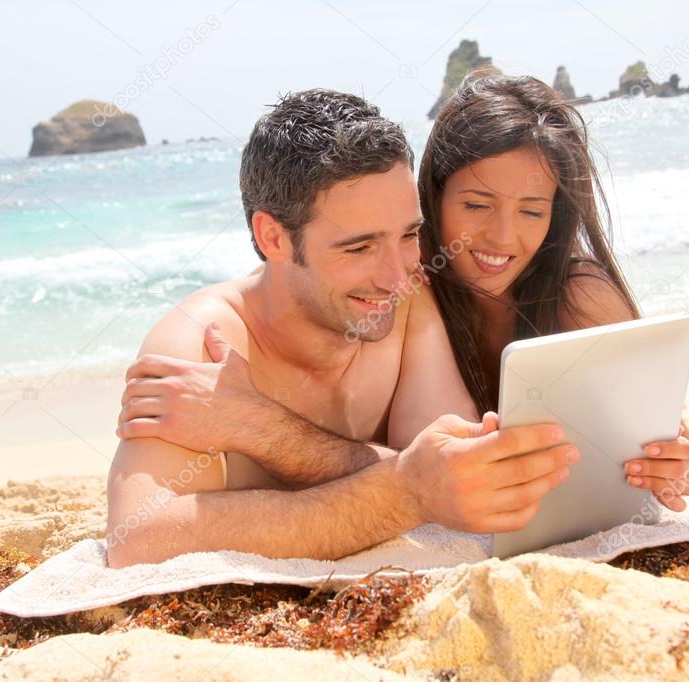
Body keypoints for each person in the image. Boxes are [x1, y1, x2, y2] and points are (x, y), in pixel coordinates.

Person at [105, 89, 579, 568]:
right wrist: (406, 493)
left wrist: (260, 428)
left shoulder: (412, 296)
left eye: (409, 236)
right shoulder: (202, 344)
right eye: (359, 248)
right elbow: (140, 538)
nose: (397, 276)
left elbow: (448, 467)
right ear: (274, 237)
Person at [417, 74, 689, 510]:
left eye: (531, 211)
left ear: (554, 214)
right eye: (477, 205)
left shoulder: (580, 296)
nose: (503, 238)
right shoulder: (403, 284)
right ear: (435, 195)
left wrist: (675, 474)